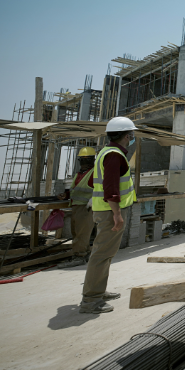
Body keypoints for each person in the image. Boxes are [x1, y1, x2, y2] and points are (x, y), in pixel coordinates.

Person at [80, 117, 138, 314]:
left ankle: (97, 291)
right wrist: (117, 214)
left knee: (104, 254)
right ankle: (91, 300)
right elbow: (111, 189)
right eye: (132, 134)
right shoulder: (114, 156)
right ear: (127, 135)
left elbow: (93, 183)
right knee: (101, 255)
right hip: (109, 212)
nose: (133, 137)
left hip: (103, 210)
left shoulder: (105, 152)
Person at [56, 147, 97, 268]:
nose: (84, 163)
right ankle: (84, 253)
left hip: (86, 207)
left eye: (87, 160)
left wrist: (93, 201)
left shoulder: (94, 173)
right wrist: (66, 195)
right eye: (82, 160)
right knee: (76, 233)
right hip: (76, 206)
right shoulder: (79, 174)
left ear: (92, 160)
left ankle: (80, 256)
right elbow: (75, 190)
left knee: (81, 234)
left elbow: (100, 189)